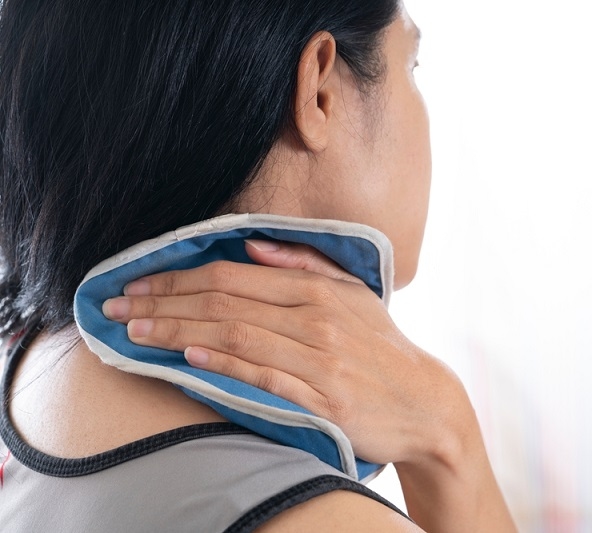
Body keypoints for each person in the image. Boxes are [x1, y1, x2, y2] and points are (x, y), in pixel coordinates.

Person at [0, 1, 516, 531]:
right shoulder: (330, 523)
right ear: (319, 90)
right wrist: (450, 442)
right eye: (412, 65)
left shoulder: (24, 365)